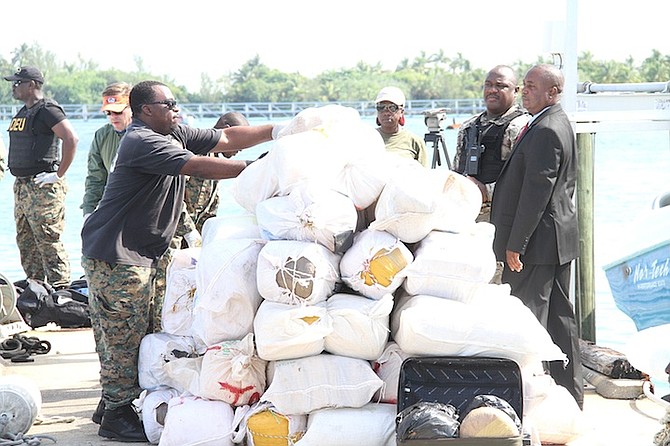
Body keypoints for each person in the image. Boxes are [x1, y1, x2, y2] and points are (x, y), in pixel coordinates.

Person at [80, 80, 276, 442]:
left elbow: (228, 139)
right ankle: (117, 413)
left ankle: (115, 403)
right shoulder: (141, 140)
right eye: (168, 103)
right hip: (117, 254)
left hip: (147, 254)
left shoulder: (174, 132)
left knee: (149, 331)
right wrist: (257, 168)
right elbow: (198, 167)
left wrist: (280, 130)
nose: (176, 108)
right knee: (123, 335)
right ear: (146, 111)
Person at [490, 64, 583, 409]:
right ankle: (569, 397)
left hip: (538, 244)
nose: (524, 91)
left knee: (527, 320)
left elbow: (536, 193)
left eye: (531, 86)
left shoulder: (545, 129)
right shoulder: (555, 121)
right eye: (524, 86)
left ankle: (530, 400)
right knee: (561, 319)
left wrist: (517, 244)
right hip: (555, 241)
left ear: (552, 92)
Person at [4, 66, 78, 289]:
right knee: (26, 240)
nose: (14, 87)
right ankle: (35, 289)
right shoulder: (24, 112)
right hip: (23, 186)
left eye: (18, 83)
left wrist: (58, 174)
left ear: (32, 85)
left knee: (48, 239)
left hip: (42, 186)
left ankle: (61, 290)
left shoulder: (47, 110)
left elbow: (71, 138)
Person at [453, 65, 530, 222]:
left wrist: (485, 191)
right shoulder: (468, 126)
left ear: (516, 91)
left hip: (503, 217)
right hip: (465, 215)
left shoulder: (522, 126)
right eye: (488, 85)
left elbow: (525, 179)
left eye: (501, 86)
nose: (492, 90)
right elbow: (456, 169)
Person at [182, 111, 250, 237]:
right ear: (227, 130)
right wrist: (189, 232)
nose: (241, 149)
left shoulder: (215, 160)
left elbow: (209, 210)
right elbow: (173, 199)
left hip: (191, 238)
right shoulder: (192, 151)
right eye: (241, 141)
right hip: (172, 237)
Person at [81, 82, 133, 218]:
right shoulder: (102, 135)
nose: (112, 116)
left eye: (118, 111)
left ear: (131, 107)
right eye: (108, 112)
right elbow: (95, 178)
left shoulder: (149, 136)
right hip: (114, 210)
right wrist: (88, 211)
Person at [375, 86, 429, 167]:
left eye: (392, 108)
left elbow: (424, 175)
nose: (386, 113)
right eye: (381, 107)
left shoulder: (415, 141)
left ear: (401, 112)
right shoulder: (367, 138)